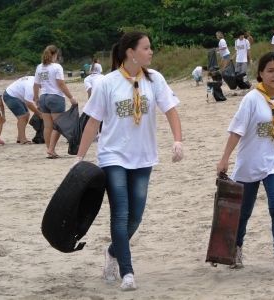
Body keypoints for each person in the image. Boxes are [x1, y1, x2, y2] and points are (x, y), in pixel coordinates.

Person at [75, 31, 183, 291]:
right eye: (146, 48)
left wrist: (178, 140)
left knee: (135, 217)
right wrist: (80, 157)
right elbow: (93, 122)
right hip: (113, 155)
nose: (151, 52)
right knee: (120, 213)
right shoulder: (107, 83)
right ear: (130, 52)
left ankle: (113, 252)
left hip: (144, 156)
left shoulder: (155, 79)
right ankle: (127, 271)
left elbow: (170, 110)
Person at [216, 52, 274, 275]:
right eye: (270, 70)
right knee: (243, 212)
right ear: (261, 73)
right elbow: (237, 131)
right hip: (249, 163)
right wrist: (225, 158)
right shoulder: (251, 99)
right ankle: (235, 248)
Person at [33, 45, 77, 158]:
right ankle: (51, 149)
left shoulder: (39, 67)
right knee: (58, 125)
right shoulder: (57, 67)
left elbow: (36, 84)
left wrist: (36, 98)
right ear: (55, 54)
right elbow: (61, 84)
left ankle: (49, 149)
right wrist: (71, 97)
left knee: (47, 126)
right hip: (55, 97)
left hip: (43, 97)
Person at [3, 76, 42, 144]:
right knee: (22, 116)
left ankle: (19, 137)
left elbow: (33, 98)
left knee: (26, 115)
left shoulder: (34, 79)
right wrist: (39, 113)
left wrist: (38, 105)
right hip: (10, 96)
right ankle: (22, 139)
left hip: (16, 95)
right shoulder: (31, 86)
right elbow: (29, 103)